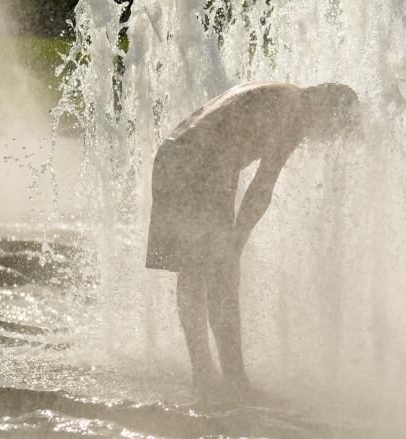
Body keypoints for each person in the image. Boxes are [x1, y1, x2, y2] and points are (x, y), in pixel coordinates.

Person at [146, 82, 359, 401]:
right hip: (197, 163)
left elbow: (225, 138)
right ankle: (228, 378)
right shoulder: (295, 114)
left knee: (195, 273)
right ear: (326, 109)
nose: (324, 138)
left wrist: (230, 235)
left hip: (173, 154)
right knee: (219, 276)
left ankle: (209, 373)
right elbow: (261, 188)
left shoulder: (281, 95)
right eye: (332, 129)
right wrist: (235, 245)